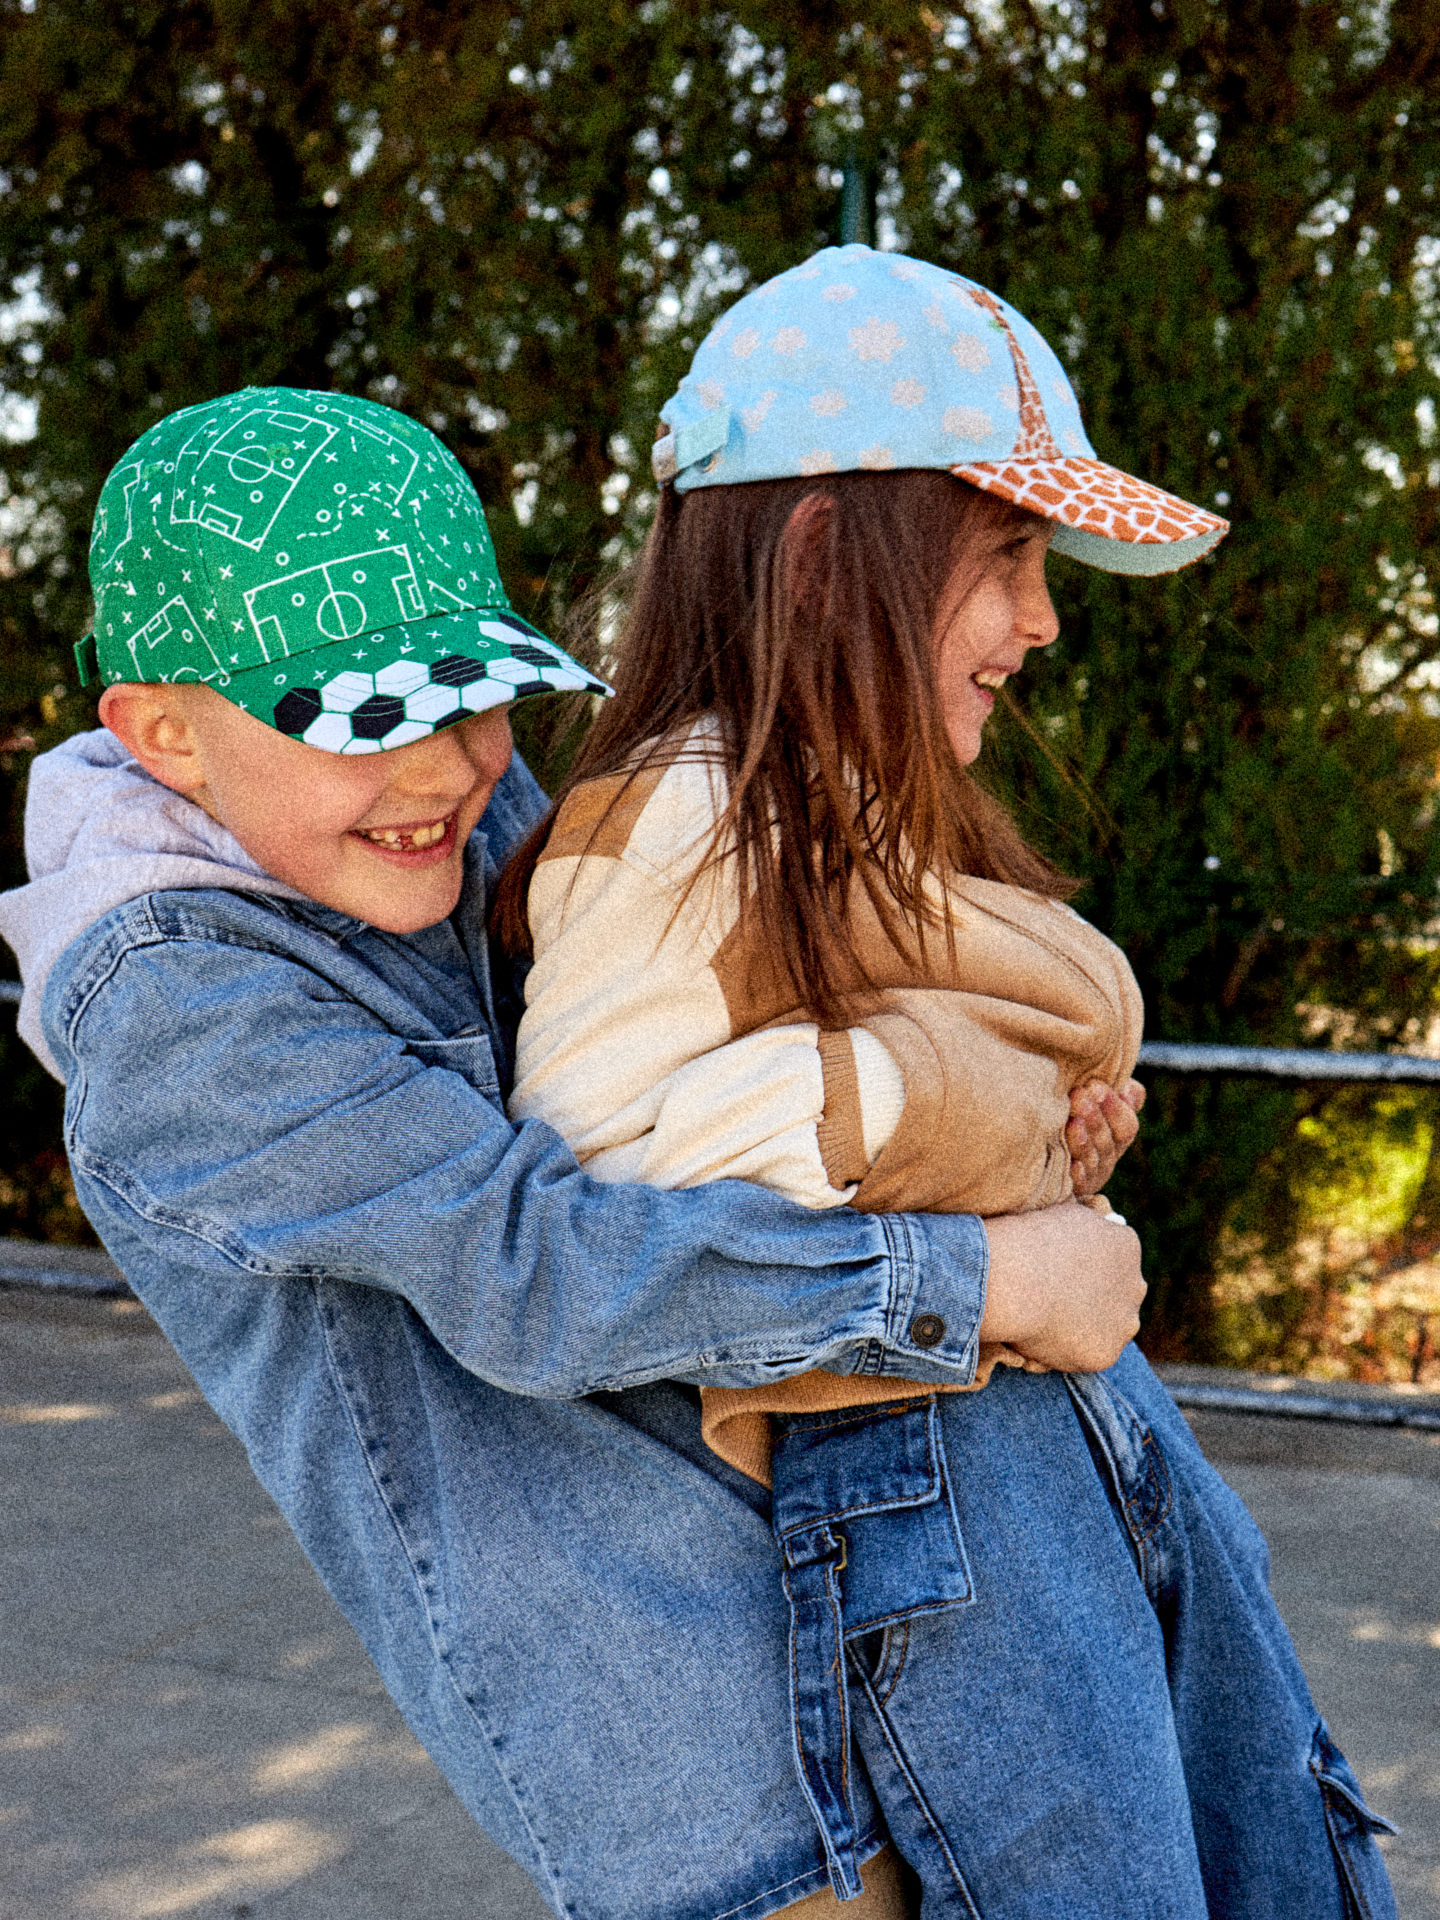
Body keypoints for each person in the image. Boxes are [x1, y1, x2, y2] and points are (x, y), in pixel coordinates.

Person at [0, 384, 1173, 1920]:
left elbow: (689, 1045)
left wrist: (1004, 1119)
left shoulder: (424, 831)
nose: (444, 770)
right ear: (164, 735)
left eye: (474, 699)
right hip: (666, 1717)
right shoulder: (179, 1011)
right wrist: (990, 1273)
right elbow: (535, 1265)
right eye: (366, 718)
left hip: (824, 1556)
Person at [494, 246, 1401, 1917]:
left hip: (1046, 1455)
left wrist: (1034, 1129)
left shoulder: (850, 809)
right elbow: (596, 1190)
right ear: (832, 557)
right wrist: (956, 1108)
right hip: (931, 1497)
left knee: (1272, 1845)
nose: (1044, 621)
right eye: (1007, 558)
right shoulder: (678, 818)